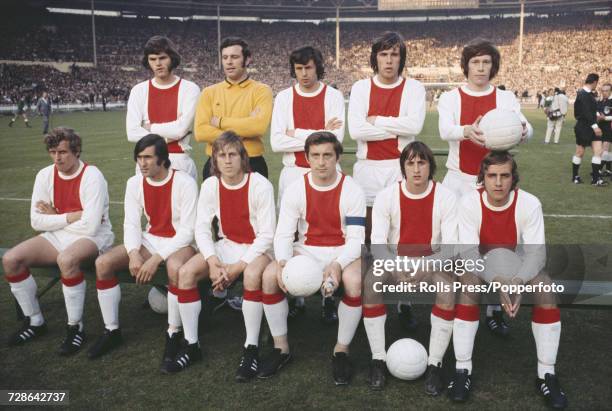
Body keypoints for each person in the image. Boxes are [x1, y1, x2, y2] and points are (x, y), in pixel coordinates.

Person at [449, 151, 566, 410]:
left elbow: (537, 253)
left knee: (546, 289)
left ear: (514, 179)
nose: (498, 182)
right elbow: (468, 254)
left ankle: (546, 374)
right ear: (483, 179)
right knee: (468, 284)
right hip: (481, 264)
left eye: (505, 175)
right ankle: (462, 369)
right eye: (492, 176)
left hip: (517, 265)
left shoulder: (529, 203)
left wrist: (516, 281)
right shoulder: (469, 203)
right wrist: (498, 281)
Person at [437, 39, 532, 334]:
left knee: (496, 243)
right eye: (475, 62)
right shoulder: (450, 97)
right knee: (453, 244)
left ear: (493, 66)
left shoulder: (505, 98)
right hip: (458, 180)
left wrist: (522, 130)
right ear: (466, 66)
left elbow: (526, 129)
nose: (480, 68)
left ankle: (494, 309)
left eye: (486, 62)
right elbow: (444, 130)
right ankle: (454, 301)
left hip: (496, 183)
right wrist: (467, 130)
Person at [258, 132, 366, 385]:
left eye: (327, 155)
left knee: (354, 282)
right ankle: (281, 348)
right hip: (306, 250)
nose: (321, 162)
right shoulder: (296, 189)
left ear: (337, 157)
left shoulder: (352, 190)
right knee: (268, 276)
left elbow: (356, 240)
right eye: (315, 156)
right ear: (306, 158)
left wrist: (338, 265)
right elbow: (284, 234)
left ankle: (341, 350)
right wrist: (283, 262)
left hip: (342, 251)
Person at [88, 135, 198, 372]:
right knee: (103, 263)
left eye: (148, 157)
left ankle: (173, 333)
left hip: (181, 242)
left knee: (174, 268)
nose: (142, 163)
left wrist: (157, 258)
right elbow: (130, 224)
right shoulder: (134, 183)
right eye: (139, 158)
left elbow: (188, 231)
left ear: (163, 159)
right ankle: (112, 329)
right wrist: (134, 253)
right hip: (150, 240)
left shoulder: (185, 183)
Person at [2, 127, 113, 354]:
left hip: (94, 236)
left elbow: (91, 225)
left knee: (67, 259)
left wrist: (54, 217)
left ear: (76, 150)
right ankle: (35, 321)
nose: (57, 158)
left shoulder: (92, 176)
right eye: (52, 152)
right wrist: (70, 216)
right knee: (11, 259)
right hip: (61, 234)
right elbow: (36, 221)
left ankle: (76, 328)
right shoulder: (44, 175)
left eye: (62, 152)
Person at [175, 131, 275, 377]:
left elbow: (267, 234)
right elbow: (201, 227)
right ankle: (191, 344)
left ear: (243, 158)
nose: (227, 160)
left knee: (251, 275)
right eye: (221, 155)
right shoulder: (211, 184)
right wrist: (211, 261)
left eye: (233, 154)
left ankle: (250, 349)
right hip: (227, 244)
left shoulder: (260, 184)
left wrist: (238, 267)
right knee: (186, 272)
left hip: (258, 248)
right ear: (215, 161)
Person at [348, 31, 426, 329]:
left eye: (394, 54)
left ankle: (404, 301)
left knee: (401, 236)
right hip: (367, 170)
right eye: (383, 54)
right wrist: (395, 128)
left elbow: (414, 125)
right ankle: (369, 296)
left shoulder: (414, 88)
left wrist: (376, 121)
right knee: (368, 238)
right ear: (375, 58)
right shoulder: (360, 88)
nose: (389, 60)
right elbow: (356, 131)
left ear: (401, 58)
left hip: (399, 169)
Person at [368, 141, 457, 392]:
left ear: (431, 166)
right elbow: (377, 243)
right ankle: (378, 359)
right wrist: (395, 266)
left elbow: (450, 248)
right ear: (403, 168)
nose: (416, 169)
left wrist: (426, 267)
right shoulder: (387, 196)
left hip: (433, 261)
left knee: (448, 290)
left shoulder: (446, 196)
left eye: (422, 162)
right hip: (394, 261)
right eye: (411, 163)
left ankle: (435, 365)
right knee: (370, 283)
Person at [270, 45, 345, 323]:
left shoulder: (334, 96)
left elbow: (337, 139)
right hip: (293, 174)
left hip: (328, 176)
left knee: (332, 233)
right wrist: (318, 133)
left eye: (309, 67)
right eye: (299, 68)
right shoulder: (283, 97)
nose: (304, 73)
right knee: (291, 235)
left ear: (318, 68)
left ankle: (330, 297)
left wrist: (296, 134)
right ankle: (296, 294)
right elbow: (276, 142)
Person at [194, 37, 273, 179]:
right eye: (225, 57)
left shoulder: (262, 90)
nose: (229, 62)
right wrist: (244, 127)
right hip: (215, 163)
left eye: (235, 57)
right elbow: (200, 132)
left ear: (248, 59)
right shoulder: (208, 92)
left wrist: (219, 122)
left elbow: (258, 127)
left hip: (251, 162)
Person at [126, 35, 200, 180]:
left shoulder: (190, 89)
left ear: (172, 58)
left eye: (162, 58)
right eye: (152, 59)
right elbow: (132, 133)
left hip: (180, 161)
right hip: (146, 163)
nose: (158, 63)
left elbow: (180, 130)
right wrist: (170, 134)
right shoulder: (139, 90)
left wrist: (150, 127)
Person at [571, 73, 607, 186]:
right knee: (580, 153)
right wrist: (595, 126)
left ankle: (595, 179)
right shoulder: (583, 94)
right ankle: (575, 176)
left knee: (598, 151)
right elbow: (586, 113)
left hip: (590, 126)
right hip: (584, 127)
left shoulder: (588, 94)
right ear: (595, 82)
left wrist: (597, 115)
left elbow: (591, 110)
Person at [596, 83, 612, 176]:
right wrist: (598, 116)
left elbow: (606, 116)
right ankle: (609, 170)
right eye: (603, 90)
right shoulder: (601, 101)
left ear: (610, 91)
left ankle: (598, 169)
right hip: (602, 127)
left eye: (606, 90)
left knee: (604, 148)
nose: (604, 92)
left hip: (609, 127)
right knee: (607, 149)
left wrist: (605, 118)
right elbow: (597, 110)